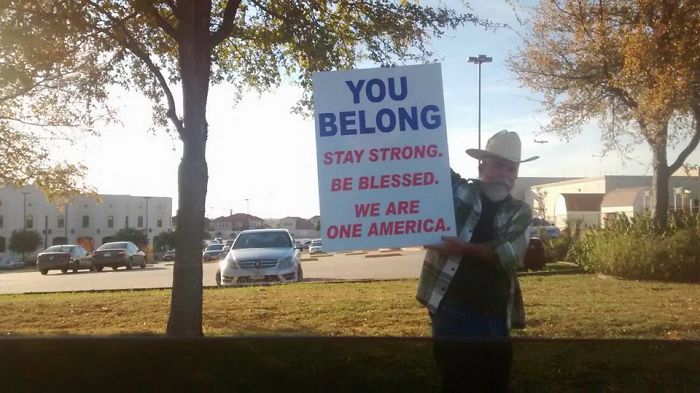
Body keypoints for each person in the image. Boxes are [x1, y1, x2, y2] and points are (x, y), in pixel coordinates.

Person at [416, 130, 537, 392]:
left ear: (516, 174)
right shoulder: (458, 190)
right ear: (482, 166)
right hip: (449, 310)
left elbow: (509, 253)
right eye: (498, 165)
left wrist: (461, 248)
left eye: (510, 168)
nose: (504, 173)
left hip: (493, 317)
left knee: (494, 381)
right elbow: (425, 161)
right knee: (454, 380)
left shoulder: (521, 211)